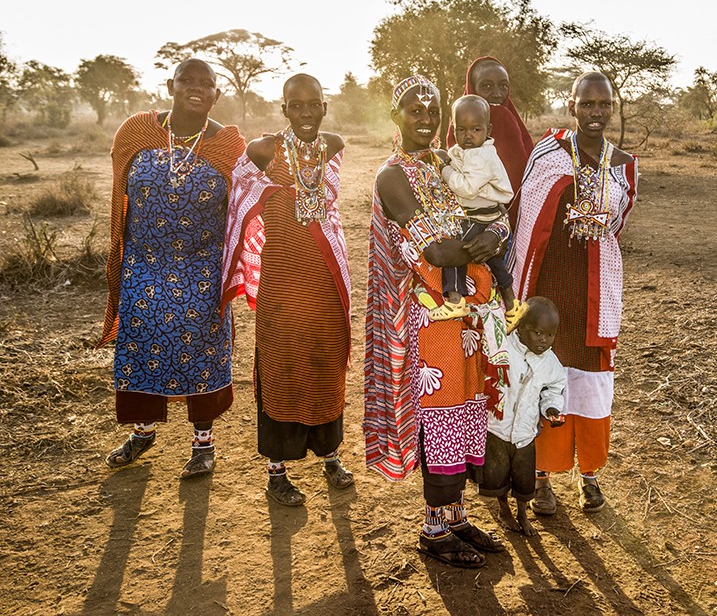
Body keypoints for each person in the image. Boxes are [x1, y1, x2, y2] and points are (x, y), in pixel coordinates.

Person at [364, 75, 508, 569]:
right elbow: (434, 248)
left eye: (432, 111)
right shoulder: (393, 176)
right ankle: (432, 528)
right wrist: (484, 243)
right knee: (440, 419)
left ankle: (456, 516)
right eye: (413, 110)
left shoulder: (442, 165)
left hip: (461, 318)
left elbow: (492, 212)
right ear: (395, 115)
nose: (424, 119)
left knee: (465, 409)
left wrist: (493, 234)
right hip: (424, 324)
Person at [99, 59, 245, 478]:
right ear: (171, 85)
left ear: (217, 93)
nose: (196, 89)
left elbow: (245, 204)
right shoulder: (138, 132)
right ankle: (142, 433)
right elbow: (119, 191)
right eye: (187, 81)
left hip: (202, 272)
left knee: (203, 353)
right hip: (142, 269)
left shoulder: (228, 144)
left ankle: (204, 445)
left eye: (206, 84)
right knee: (140, 347)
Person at [221, 74, 353, 506]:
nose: (306, 113)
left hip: (324, 278)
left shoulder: (333, 144)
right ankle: (276, 474)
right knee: (280, 365)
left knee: (326, 362)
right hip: (281, 279)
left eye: (313, 103)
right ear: (284, 110)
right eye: (296, 105)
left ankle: (330, 457)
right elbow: (239, 195)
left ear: (324, 105)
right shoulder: (264, 150)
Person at [513, 71, 638, 514]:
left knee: (591, 380)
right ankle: (543, 478)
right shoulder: (547, 153)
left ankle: (589, 475)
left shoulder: (623, 163)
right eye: (587, 104)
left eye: (604, 104)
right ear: (572, 106)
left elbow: (618, 224)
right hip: (549, 285)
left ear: (613, 108)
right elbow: (526, 216)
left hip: (595, 292)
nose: (596, 112)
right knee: (544, 376)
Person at [434, 94, 525, 332]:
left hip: (483, 215)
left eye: (476, 129)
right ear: (452, 128)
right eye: (461, 129)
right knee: (496, 262)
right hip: (483, 212)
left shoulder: (482, 154)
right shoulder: (465, 149)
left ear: (488, 129)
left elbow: (464, 186)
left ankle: (455, 299)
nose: (468, 135)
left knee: (456, 246)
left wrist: (443, 169)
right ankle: (513, 305)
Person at [477, 296, 565, 536]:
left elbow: (554, 389)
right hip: (497, 427)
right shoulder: (504, 347)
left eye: (550, 335)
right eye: (538, 333)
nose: (544, 340)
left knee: (524, 479)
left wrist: (552, 409)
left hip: (525, 433)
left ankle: (523, 513)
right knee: (497, 476)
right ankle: (503, 509)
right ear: (521, 328)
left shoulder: (551, 363)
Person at [447, 57, 534, 227]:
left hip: (505, 225)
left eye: (504, 86)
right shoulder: (457, 130)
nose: (497, 94)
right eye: (486, 86)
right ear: (472, 88)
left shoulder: (508, 122)